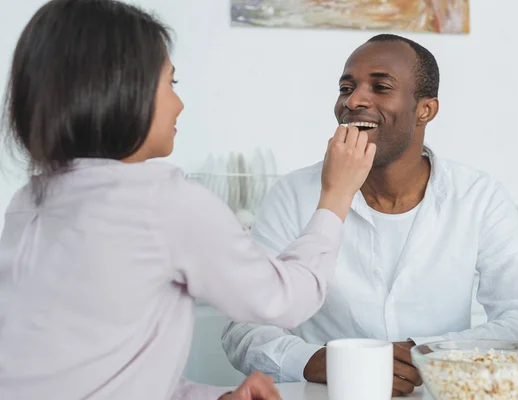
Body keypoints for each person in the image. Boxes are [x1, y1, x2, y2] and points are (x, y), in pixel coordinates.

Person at [0, 1, 376, 399]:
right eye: (171, 83)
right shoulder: (165, 203)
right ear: (122, 89)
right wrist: (337, 194)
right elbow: (284, 300)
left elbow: (103, 374)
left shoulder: (29, 200)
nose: (179, 103)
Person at [222, 34, 518, 396]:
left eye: (380, 87)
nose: (354, 100)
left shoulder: (479, 197)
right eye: (346, 87)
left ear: (425, 110)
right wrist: (315, 360)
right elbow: (243, 324)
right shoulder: (293, 194)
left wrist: (424, 355)